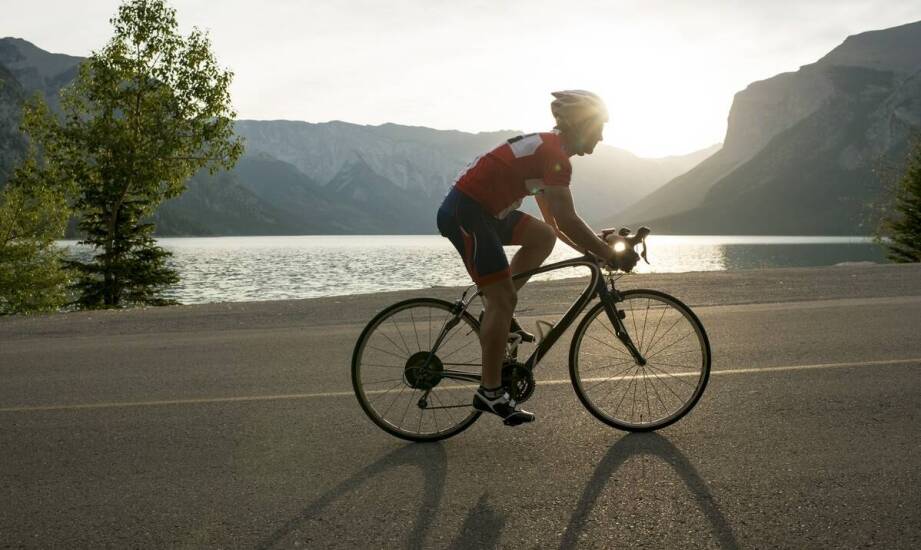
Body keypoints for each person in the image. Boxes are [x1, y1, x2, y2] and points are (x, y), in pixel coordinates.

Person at [436, 90, 619, 426]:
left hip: (486, 213)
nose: (603, 135)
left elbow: (555, 225)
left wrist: (594, 251)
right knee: (500, 298)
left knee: (541, 237)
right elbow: (568, 218)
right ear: (582, 125)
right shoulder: (555, 156)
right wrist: (607, 253)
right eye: (599, 126)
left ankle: (501, 311)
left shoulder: (548, 152)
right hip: (466, 212)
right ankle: (489, 392)